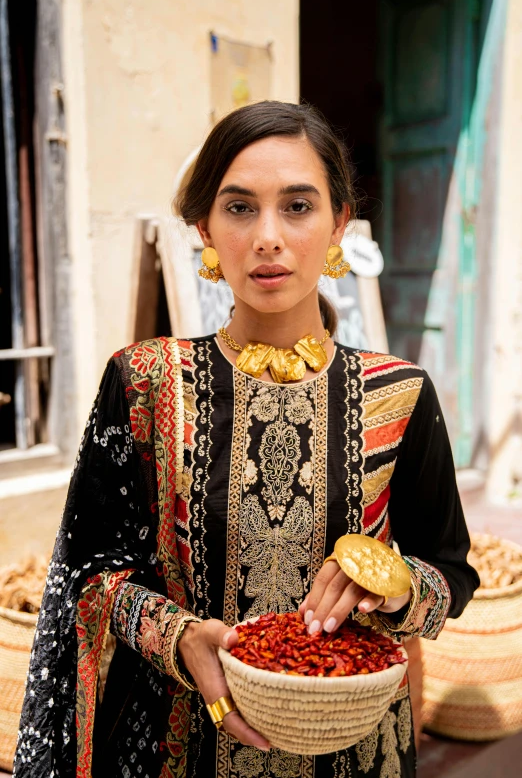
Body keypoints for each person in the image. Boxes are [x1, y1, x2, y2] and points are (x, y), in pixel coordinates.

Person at [14, 101, 479, 778]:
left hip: (353, 750)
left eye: (297, 206)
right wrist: (180, 637)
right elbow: (87, 578)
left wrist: (400, 586)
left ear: (338, 224)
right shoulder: (144, 382)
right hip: (176, 747)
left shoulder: (400, 394)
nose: (268, 236)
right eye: (239, 208)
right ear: (204, 226)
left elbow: (453, 571)